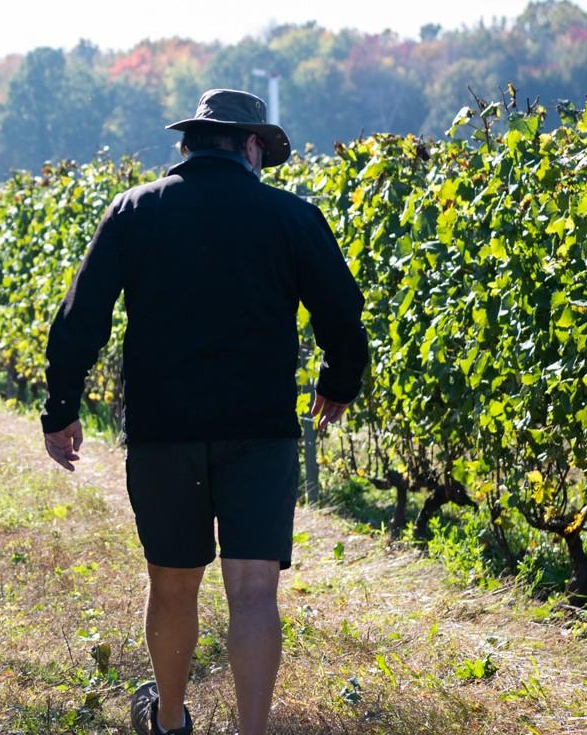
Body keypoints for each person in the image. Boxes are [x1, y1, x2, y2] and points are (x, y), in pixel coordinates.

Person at [39, 88, 368, 735]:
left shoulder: (134, 211)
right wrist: (339, 380)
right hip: (260, 430)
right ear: (250, 146)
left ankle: (167, 723)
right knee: (252, 593)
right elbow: (343, 315)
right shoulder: (290, 217)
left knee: (172, 585)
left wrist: (60, 408)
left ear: (187, 144)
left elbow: (81, 319)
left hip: (166, 431)